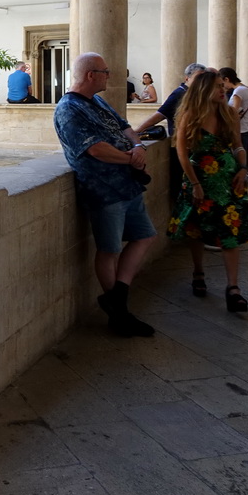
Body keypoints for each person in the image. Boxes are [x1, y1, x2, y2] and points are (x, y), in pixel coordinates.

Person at [53, 52, 156, 338]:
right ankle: (120, 314)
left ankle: (116, 301)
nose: (110, 75)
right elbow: (94, 149)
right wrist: (130, 158)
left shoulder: (96, 101)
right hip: (103, 190)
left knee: (145, 236)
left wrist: (138, 147)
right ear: (90, 75)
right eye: (105, 71)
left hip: (128, 186)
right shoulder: (68, 108)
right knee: (109, 249)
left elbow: (125, 127)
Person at [168, 71, 248, 312]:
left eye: (222, 85)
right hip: (199, 180)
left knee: (230, 232)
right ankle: (198, 272)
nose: (223, 89)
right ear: (204, 89)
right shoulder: (190, 114)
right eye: (217, 86)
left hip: (227, 182)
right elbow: (182, 152)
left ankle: (233, 288)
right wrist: (194, 183)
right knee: (196, 230)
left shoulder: (229, 113)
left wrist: (243, 167)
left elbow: (237, 145)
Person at [134, 62, 207, 199]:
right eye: (198, 77)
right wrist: (136, 131)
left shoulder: (194, 94)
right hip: (182, 146)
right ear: (187, 78)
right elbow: (160, 114)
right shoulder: (180, 93)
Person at [220, 67, 248, 152]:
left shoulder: (238, 91)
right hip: (247, 128)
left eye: (222, 83)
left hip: (241, 130)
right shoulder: (246, 88)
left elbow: (234, 111)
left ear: (226, 79)